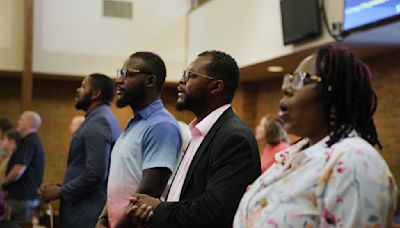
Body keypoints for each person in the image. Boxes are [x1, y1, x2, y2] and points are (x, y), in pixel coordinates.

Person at [233, 45, 398, 227]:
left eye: (302, 79)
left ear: (334, 94)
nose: (287, 88)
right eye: (290, 78)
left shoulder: (355, 161)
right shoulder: (295, 154)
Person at [124, 50, 261, 228]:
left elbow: (215, 211)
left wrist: (158, 209)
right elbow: (185, 195)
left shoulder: (234, 137)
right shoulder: (201, 132)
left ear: (215, 87)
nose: (181, 80)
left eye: (190, 75)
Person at [96, 52, 182, 228]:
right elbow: (120, 183)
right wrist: (103, 218)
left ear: (150, 81)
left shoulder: (161, 125)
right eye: (120, 73)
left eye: (127, 74)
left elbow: (148, 194)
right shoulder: (135, 123)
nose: (118, 80)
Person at [39, 73, 121, 228]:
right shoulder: (99, 118)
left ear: (96, 93)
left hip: (86, 213)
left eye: (83, 86)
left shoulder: (99, 122)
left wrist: (61, 192)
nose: (78, 90)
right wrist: (59, 187)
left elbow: (95, 172)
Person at [2, 111, 45, 222]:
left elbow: (18, 170)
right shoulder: (31, 141)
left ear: (29, 123)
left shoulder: (29, 142)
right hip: (24, 198)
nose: (18, 122)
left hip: (21, 199)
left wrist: (3, 184)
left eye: (21, 119)